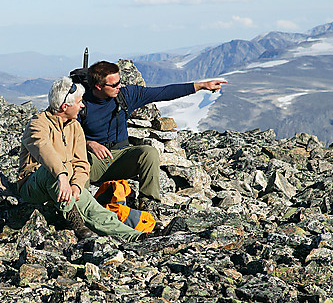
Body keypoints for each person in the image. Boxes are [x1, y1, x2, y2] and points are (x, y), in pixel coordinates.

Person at [17, 76, 184, 240]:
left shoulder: (75, 126)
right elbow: (43, 149)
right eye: (78, 103)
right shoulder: (38, 124)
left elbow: (81, 163)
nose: (82, 106)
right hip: (32, 185)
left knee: (93, 208)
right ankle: (75, 222)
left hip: (66, 182)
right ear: (64, 106)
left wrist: (76, 185)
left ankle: (136, 237)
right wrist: (61, 176)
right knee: (59, 169)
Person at [81, 61, 226, 210]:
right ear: (98, 86)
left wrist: (201, 86)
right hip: (93, 161)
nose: (119, 86)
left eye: (120, 82)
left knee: (149, 152)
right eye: (114, 84)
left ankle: (149, 205)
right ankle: (82, 209)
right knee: (79, 162)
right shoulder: (81, 104)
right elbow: (65, 136)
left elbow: (162, 92)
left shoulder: (125, 96)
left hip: (121, 157)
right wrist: (89, 144)